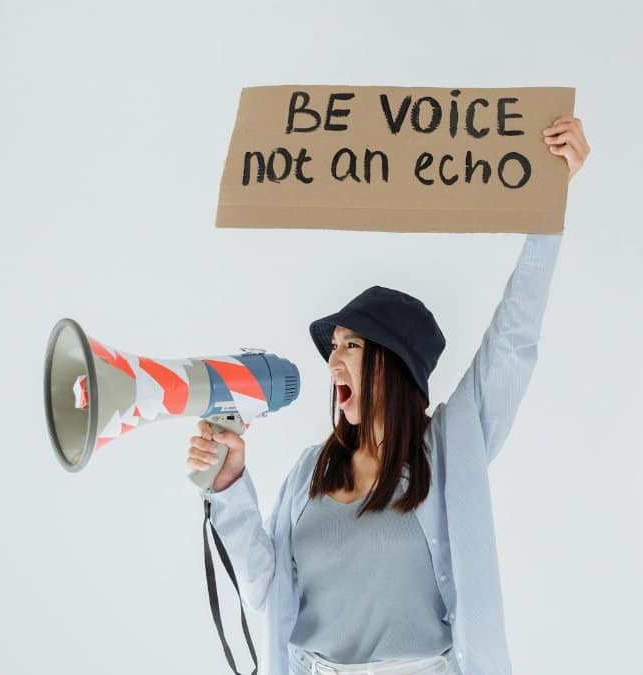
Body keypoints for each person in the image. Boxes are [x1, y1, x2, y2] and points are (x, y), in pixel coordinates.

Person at [189, 115, 590, 675]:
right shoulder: (311, 472)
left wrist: (550, 210)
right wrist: (229, 486)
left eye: (351, 344)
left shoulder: (450, 452)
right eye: (333, 348)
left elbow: (513, 339)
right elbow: (267, 589)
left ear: (394, 363)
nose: (333, 361)